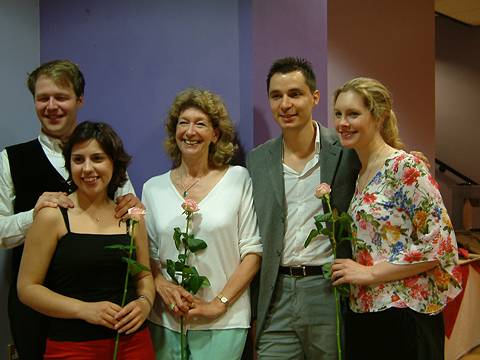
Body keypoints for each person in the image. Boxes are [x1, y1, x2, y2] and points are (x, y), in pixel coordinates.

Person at [0, 59, 142, 359]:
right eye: (43, 98)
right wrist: (34, 217)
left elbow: (130, 220)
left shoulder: (109, 159)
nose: (51, 106)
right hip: (34, 308)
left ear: (79, 100)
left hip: (103, 313)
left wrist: (134, 207)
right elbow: (1, 234)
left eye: (61, 97)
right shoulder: (10, 159)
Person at [331, 77, 461, 360]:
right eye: (338, 114)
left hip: (405, 313)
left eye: (353, 114)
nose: (343, 122)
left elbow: (440, 244)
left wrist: (369, 272)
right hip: (365, 311)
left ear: (378, 117)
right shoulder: (360, 171)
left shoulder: (405, 166)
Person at [246, 57, 360, 359]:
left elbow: (381, 158)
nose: (285, 104)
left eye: (295, 94)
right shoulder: (257, 160)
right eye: (276, 96)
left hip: (327, 290)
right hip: (276, 292)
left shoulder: (347, 151)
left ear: (314, 97)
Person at [17, 121, 155, 359]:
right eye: (78, 160)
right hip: (72, 347)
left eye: (97, 158)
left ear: (114, 163)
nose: (87, 168)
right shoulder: (52, 216)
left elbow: (144, 275)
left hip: (133, 344)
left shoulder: (133, 216)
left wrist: (144, 303)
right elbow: (27, 288)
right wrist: (84, 310)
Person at [142, 88, 262, 359]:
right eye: (183, 123)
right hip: (165, 322)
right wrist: (160, 284)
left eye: (200, 124)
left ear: (215, 134)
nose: (190, 131)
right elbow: (145, 254)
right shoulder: (153, 188)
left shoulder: (238, 179)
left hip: (223, 322)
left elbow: (253, 252)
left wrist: (218, 304)